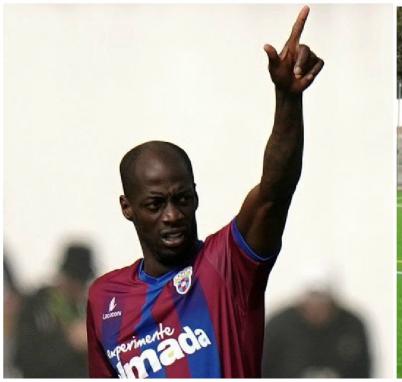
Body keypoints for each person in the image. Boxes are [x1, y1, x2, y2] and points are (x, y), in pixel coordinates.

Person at [86, 6, 323, 378]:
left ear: (196, 196)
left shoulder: (226, 265)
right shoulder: (104, 298)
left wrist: (288, 99)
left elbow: (274, 192)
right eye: (155, 203)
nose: (172, 214)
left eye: (182, 199)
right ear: (127, 207)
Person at [262, 266, 371, 378]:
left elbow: (364, 371)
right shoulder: (278, 327)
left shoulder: (352, 326)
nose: (316, 305)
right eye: (312, 297)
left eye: (322, 299)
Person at [15, 243, 96, 378]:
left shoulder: (83, 309)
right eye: (76, 281)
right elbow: (24, 358)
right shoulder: (36, 304)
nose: (79, 289)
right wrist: (69, 341)